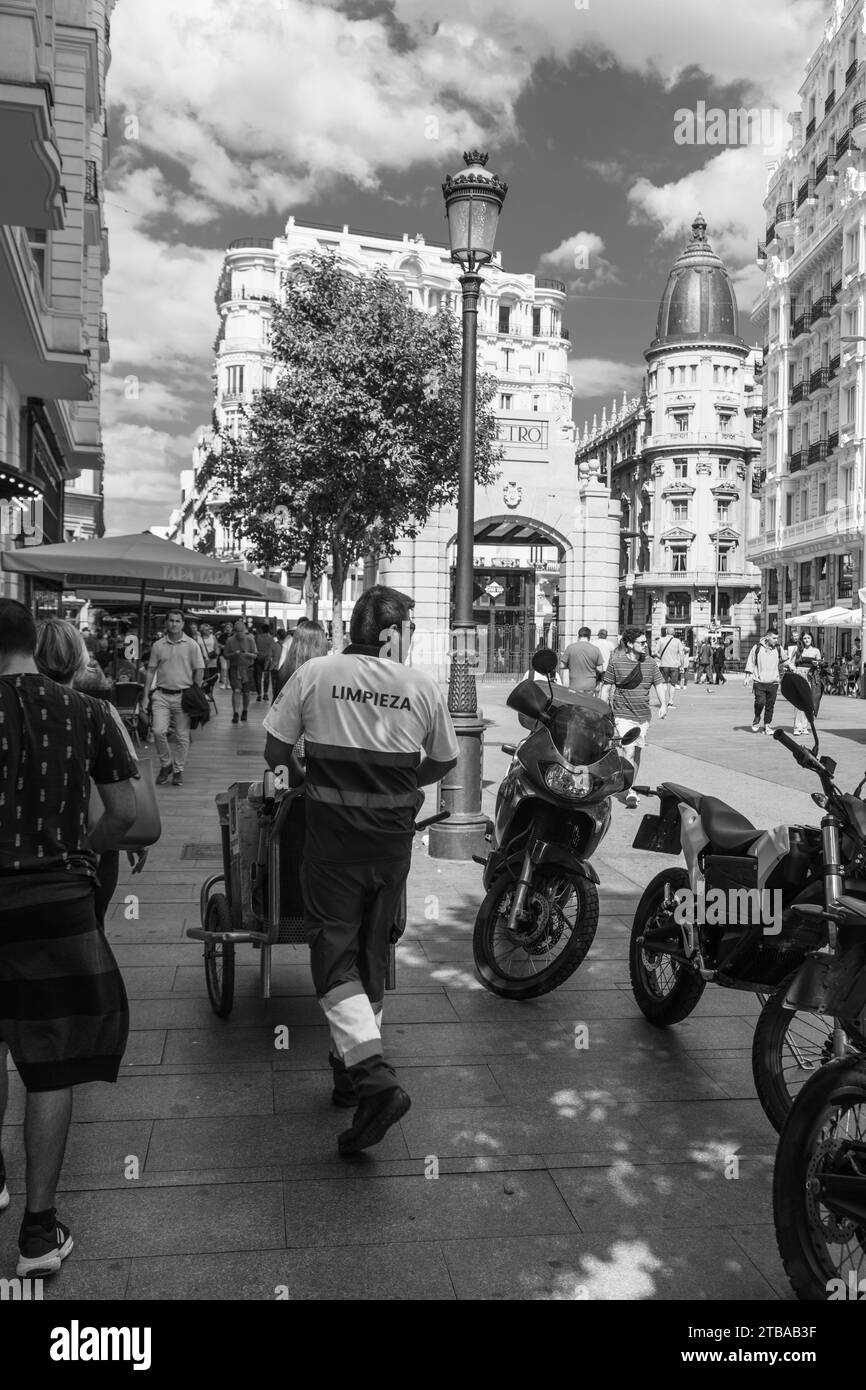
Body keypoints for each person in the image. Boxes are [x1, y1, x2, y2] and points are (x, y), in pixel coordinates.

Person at [263, 585, 458, 1153]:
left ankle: (373, 1080)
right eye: (412, 631)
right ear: (392, 634)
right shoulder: (420, 686)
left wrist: (311, 771)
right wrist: (397, 785)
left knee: (332, 957)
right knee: (372, 955)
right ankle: (346, 1076)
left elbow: (276, 752)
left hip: (331, 846)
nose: (413, 641)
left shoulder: (316, 673)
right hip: (391, 846)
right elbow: (444, 760)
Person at [0, 599, 137, 1278]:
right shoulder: (86, 711)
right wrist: (81, 852)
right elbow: (130, 814)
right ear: (34, 642)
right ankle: (37, 1235)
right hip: (57, 904)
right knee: (49, 1066)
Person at [34, 619, 145, 927]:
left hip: (24, 851)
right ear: (80, 659)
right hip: (90, 844)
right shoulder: (99, 711)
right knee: (91, 928)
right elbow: (127, 791)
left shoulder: (15, 709)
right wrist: (124, 841)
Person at [600, 625, 667, 808]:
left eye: (646, 642)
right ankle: (629, 790)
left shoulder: (651, 663)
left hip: (643, 715)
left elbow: (659, 685)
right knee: (629, 750)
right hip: (622, 714)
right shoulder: (616, 662)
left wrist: (663, 704)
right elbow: (606, 687)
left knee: (637, 752)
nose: (646, 645)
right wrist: (601, 710)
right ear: (629, 643)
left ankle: (628, 783)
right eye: (641, 642)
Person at [142, 609, 205, 786]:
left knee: (182, 736)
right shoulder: (158, 645)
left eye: (177, 621)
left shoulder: (192, 645)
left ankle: (178, 770)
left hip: (183, 696)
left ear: (183, 624)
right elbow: (151, 670)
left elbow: (199, 669)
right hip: (161, 695)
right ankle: (166, 764)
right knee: (158, 731)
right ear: (166, 623)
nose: (174, 624)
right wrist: (146, 695)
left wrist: (195, 691)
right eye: (171, 620)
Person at [744, 631, 789, 735]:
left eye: (777, 638)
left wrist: (791, 665)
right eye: (774, 638)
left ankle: (767, 726)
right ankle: (757, 716)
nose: (776, 640)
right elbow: (751, 662)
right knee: (760, 702)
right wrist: (747, 677)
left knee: (770, 705)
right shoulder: (757, 648)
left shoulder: (778, 648)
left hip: (773, 682)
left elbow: (785, 660)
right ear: (767, 637)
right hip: (759, 681)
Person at [223, 617, 257, 723]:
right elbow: (225, 655)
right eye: (237, 631)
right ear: (234, 631)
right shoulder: (230, 640)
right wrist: (234, 654)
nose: (239, 634)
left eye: (241, 631)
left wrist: (247, 654)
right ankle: (236, 713)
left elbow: (255, 655)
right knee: (236, 691)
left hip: (247, 669)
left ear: (245, 630)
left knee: (246, 693)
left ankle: (245, 710)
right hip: (235, 669)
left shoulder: (250, 639)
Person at [790, 631, 823, 735]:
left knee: (807, 702)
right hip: (800, 675)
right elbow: (791, 662)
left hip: (810, 677)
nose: (806, 640)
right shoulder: (798, 649)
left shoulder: (816, 651)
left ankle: (804, 726)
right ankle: (797, 727)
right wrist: (794, 669)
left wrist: (817, 663)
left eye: (808, 638)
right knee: (798, 702)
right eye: (804, 638)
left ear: (812, 639)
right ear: (802, 640)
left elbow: (820, 664)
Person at [560, 626, 604, 693]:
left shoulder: (570, 648)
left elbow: (561, 665)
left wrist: (571, 665)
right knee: (588, 703)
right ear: (589, 636)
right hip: (590, 685)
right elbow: (600, 669)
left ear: (578, 635)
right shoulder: (595, 649)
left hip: (575, 685)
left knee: (575, 703)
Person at [655, 627, 684, 709]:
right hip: (674, 665)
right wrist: (682, 665)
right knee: (672, 684)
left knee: (663, 683)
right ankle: (670, 702)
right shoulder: (677, 641)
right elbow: (681, 654)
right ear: (673, 633)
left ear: (666, 632)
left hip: (663, 665)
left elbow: (655, 652)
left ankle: (663, 702)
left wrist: (661, 657)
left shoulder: (661, 640)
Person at [254, 623, 280, 702]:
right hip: (267, 660)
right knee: (266, 677)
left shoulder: (257, 637)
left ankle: (259, 695)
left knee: (258, 677)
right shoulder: (271, 638)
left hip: (258, 659)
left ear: (262, 629)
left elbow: (254, 647)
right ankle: (265, 694)